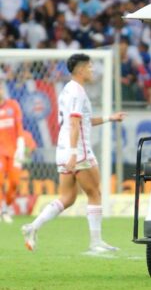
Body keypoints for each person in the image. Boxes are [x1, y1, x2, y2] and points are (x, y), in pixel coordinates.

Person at [21, 54, 126, 253]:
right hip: (77, 150)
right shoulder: (77, 92)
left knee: (68, 197)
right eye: (89, 67)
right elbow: (75, 123)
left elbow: (83, 120)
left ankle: (33, 227)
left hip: (64, 148)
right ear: (80, 70)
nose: (92, 70)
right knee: (95, 193)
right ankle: (96, 242)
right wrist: (73, 154)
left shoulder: (67, 90)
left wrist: (110, 118)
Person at [0, 82, 25, 223]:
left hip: (14, 151)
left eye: (0, 87)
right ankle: (2, 210)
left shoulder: (13, 105)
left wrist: (20, 147)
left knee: (15, 182)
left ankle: (7, 206)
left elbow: (19, 128)